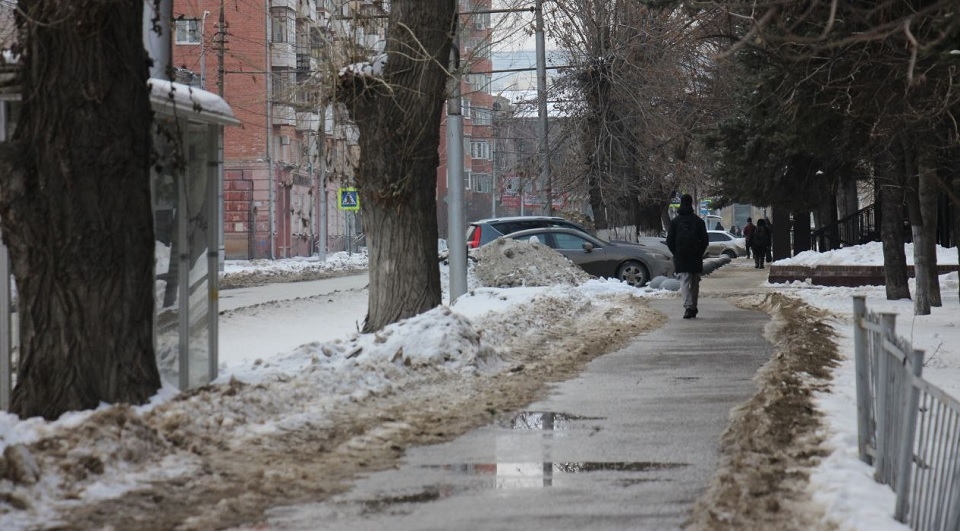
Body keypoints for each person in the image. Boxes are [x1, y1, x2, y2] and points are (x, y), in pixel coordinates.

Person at [666, 194, 709, 319]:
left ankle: (688, 307)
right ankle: (693, 306)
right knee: (695, 282)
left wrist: (676, 253)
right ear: (691, 204)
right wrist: (699, 252)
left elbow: (669, 240)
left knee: (684, 281)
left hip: (681, 256)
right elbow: (705, 240)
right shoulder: (698, 221)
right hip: (695, 256)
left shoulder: (675, 222)